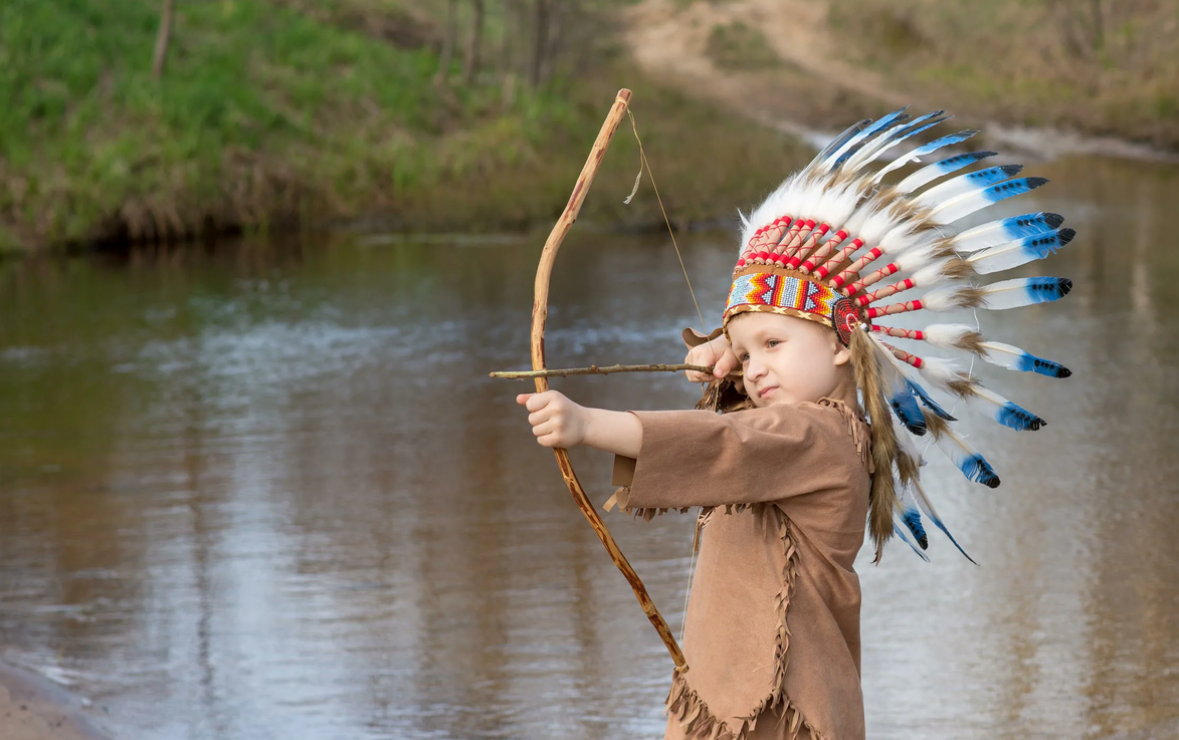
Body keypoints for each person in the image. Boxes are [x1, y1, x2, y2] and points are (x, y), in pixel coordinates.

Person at [515, 107, 1074, 740]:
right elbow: (742, 430)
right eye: (748, 353)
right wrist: (736, 357)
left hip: (788, 715)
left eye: (774, 344)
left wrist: (587, 424)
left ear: (842, 340)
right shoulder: (783, 423)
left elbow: (728, 449)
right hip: (723, 703)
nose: (755, 369)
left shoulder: (824, 437)